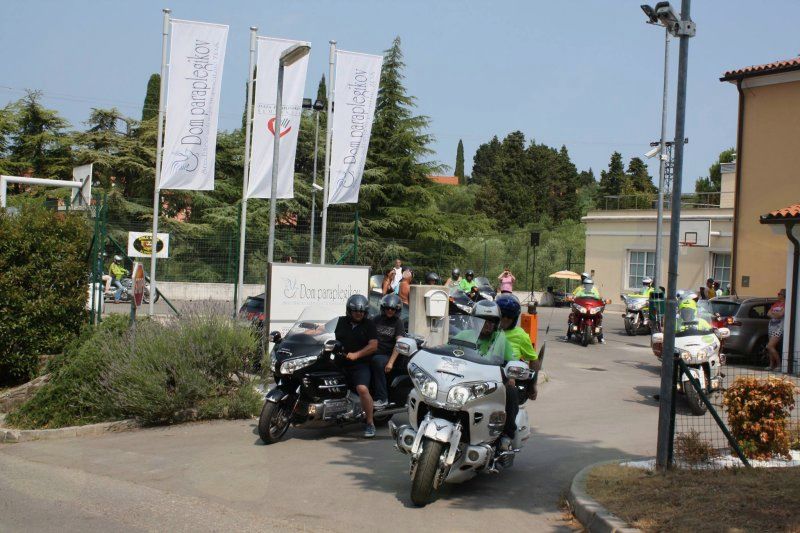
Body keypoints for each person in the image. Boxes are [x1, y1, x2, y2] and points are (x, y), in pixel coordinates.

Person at [334, 294, 379, 438]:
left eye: (361, 311)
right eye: (355, 311)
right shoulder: (340, 321)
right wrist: (308, 332)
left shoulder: (369, 325)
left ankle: (370, 423)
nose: (358, 313)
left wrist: (356, 355)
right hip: (339, 362)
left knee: (362, 389)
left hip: (360, 364)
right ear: (349, 310)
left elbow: (373, 346)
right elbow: (322, 330)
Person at [496, 294, 541, 400]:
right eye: (503, 315)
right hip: (485, 375)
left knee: (511, 390)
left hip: (508, 379)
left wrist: (533, 384)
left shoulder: (521, 335)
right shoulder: (489, 329)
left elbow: (533, 359)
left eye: (509, 316)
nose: (505, 319)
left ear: (515, 318)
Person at [371, 294, 406, 409]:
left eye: (393, 309)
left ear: (397, 310)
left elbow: (399, 343)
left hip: (388, 355)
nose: (390, 310)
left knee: (377, 361)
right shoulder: (377, 319)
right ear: (383, 308)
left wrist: (391, 362)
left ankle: (382, 398)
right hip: (374, 352)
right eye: (388, 308)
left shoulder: (398, 322)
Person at [766, 289, 786, 371]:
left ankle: (779, 365)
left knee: (770, 346)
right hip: (771, 326)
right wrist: (775, 314)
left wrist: (773, 313)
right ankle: (771, 365)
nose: (778, 295)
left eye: (779, 294)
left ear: (783, 295)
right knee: (770, 347)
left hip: (779, 327)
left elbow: (780, 315)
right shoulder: (776, 303)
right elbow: (768, 313)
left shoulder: (786, 304)